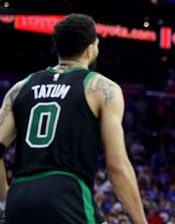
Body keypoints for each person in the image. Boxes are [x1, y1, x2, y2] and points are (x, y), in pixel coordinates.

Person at [0, 13, 147, 224]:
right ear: (90, 49)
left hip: (19, 195)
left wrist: (6, 197)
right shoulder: (101, 88)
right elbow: (117, 166)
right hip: (66, 193)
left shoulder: (20, 87)